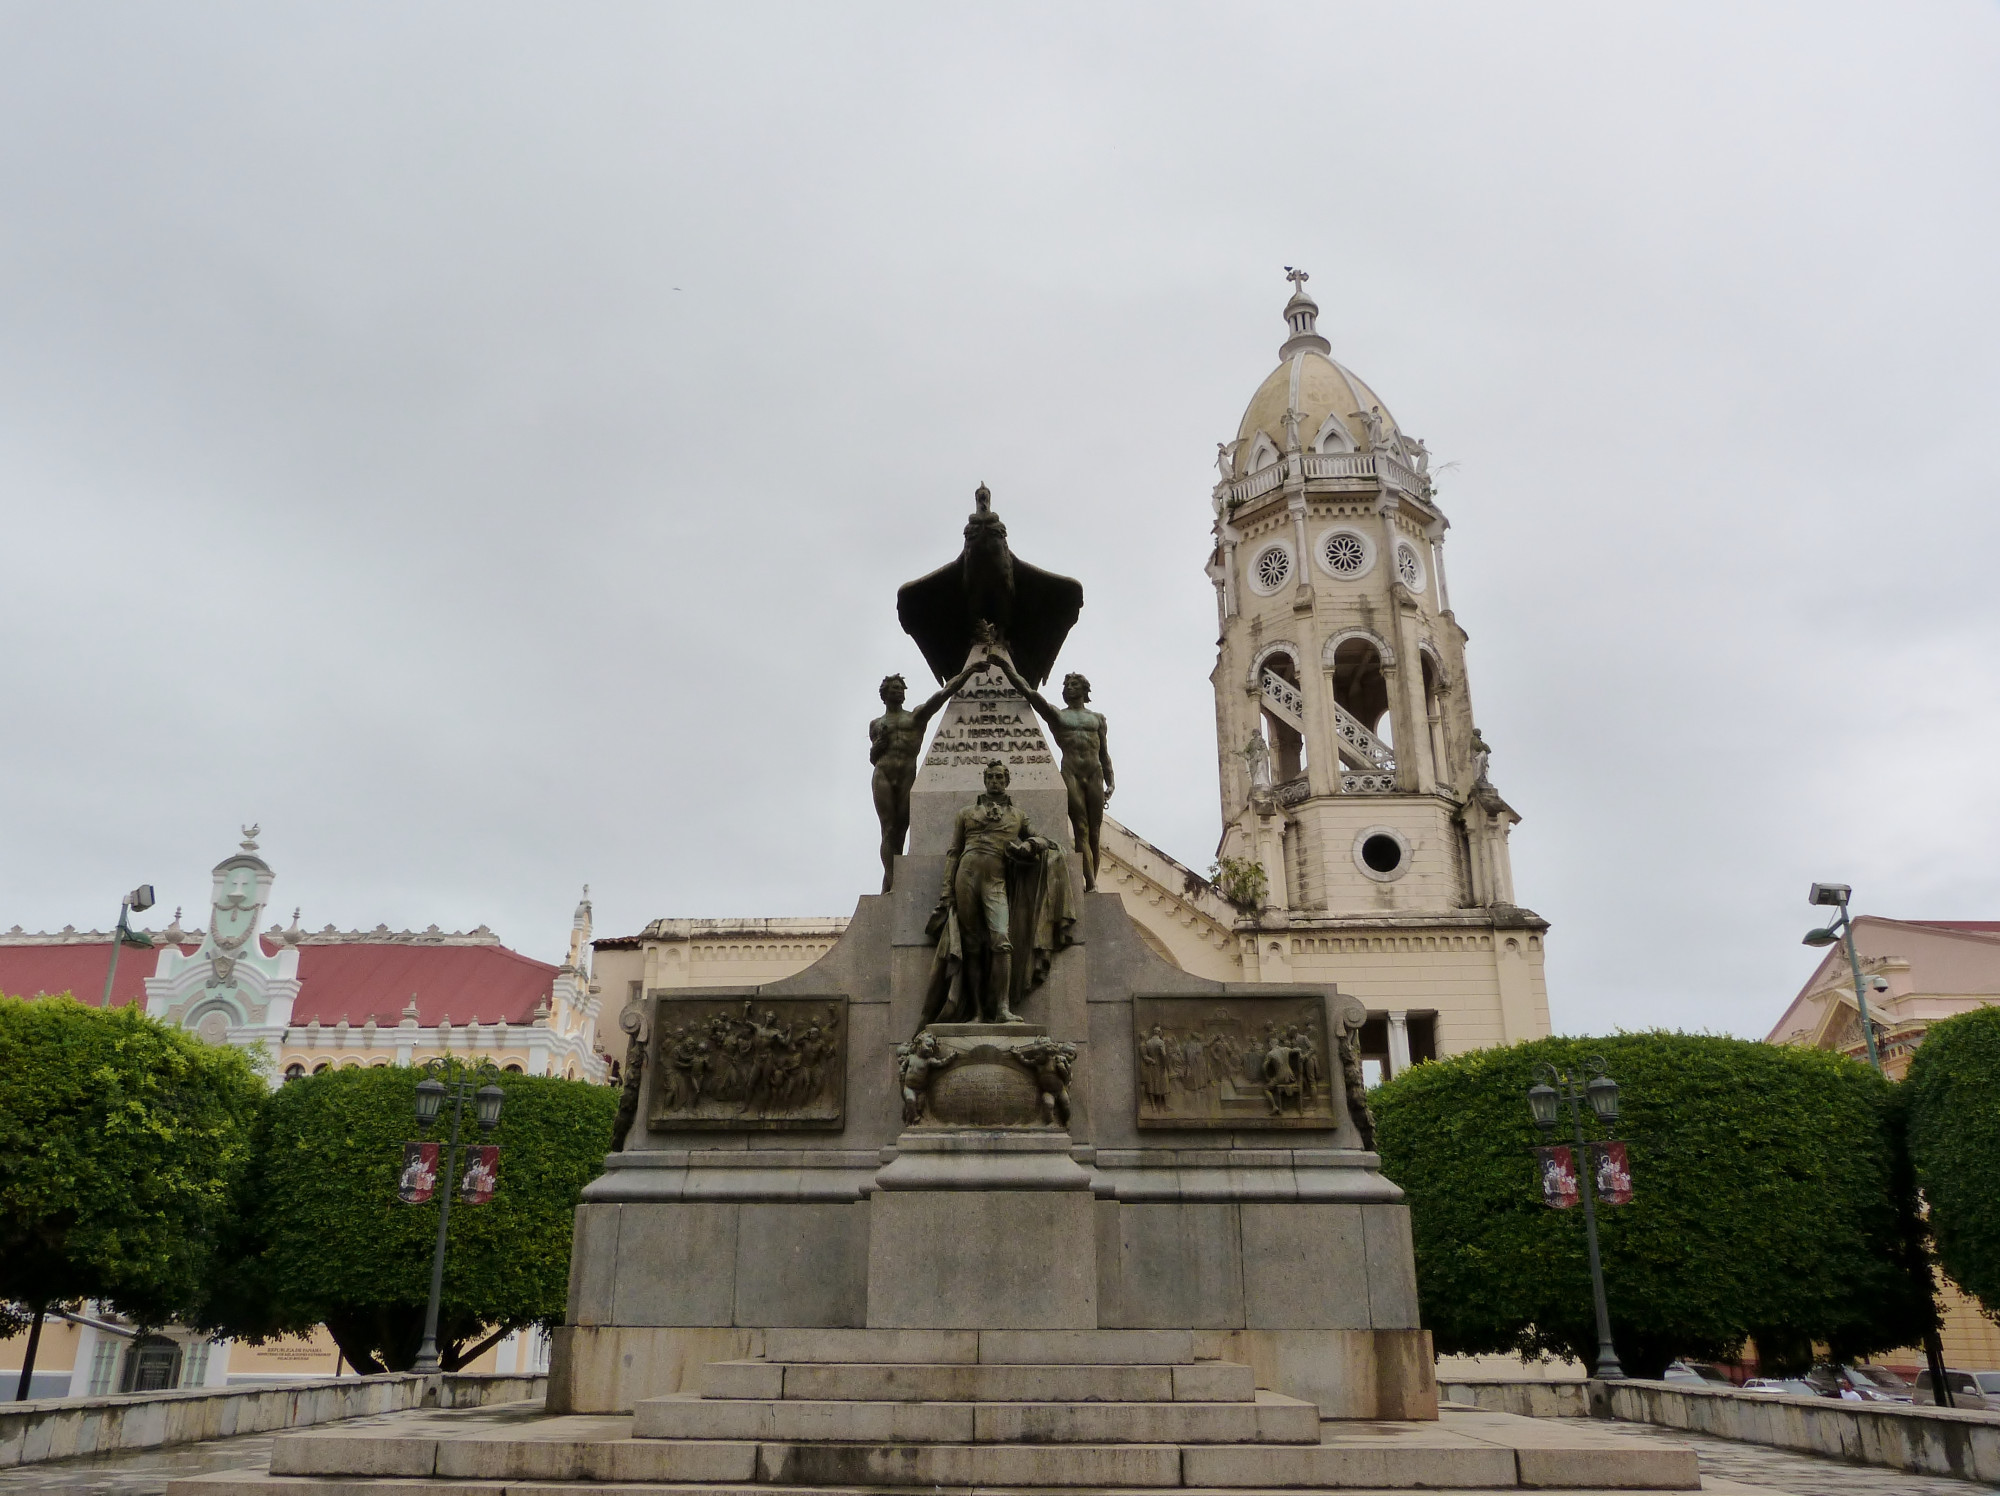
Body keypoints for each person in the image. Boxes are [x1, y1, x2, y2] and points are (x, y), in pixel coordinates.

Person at [992, 656, 1114, 890]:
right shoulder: (1059, 715)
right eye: (1066, 685)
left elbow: (1104, 753)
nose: (1068, 688)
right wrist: (1006, 666)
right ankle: (1090, 882)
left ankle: (1092, 880)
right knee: (1081, 828)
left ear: (1084, 689)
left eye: (1074, 684)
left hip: (1095, 773)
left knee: (1096, 833)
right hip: (1072, 773)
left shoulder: (1097, 719)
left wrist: (1111, 781)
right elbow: (1029, 693)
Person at [870, 662, 979, 892]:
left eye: (901, 688)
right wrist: (877, 746)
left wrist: (967, 671)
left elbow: (942, 695)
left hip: (908, 773)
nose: (898, 691)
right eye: (894, 688)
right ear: (884, 694)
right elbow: (873, 757)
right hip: (883, 774)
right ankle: (893, 883)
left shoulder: (916, 717)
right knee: (888, 829)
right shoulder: (876, 724)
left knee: (902, 829)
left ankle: (888, 884)